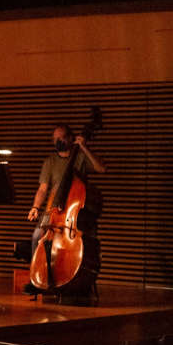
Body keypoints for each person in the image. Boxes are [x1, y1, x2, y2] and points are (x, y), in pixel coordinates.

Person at [24, 124, 107, 294]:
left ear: (70, 138)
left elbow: (101, 169)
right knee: (36, 237)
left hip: (72, 214)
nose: (57, 141)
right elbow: (42, 189)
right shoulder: (50, 161)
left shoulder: (81, 157)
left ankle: (80, 281)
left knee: (86, 240)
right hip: (52, 210)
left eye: (60, 137)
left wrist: (84, 146)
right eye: (54, 139)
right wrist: (35, 207)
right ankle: (37, 280)